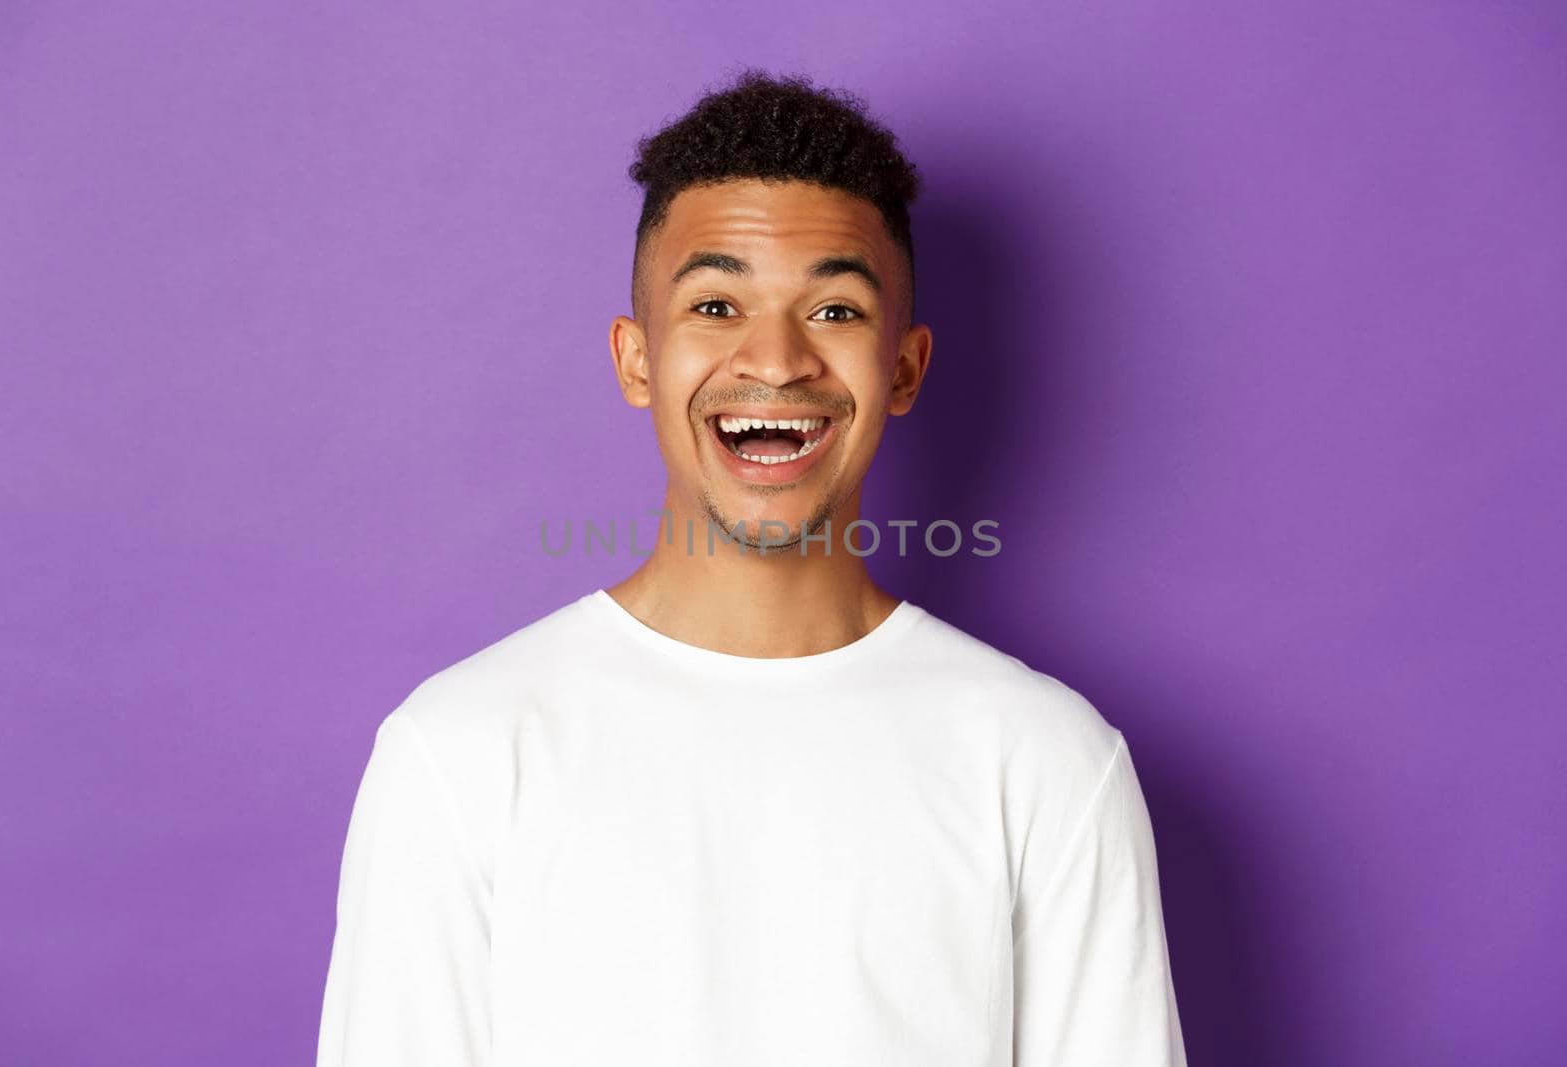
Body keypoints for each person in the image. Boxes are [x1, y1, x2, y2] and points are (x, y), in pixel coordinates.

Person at [316, 67, 1187, 1066]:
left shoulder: (1044, 761)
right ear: (637, 359)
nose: (775, 361)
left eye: (834, 312)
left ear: (902, 368)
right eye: (718, 306)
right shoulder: (460, 749)